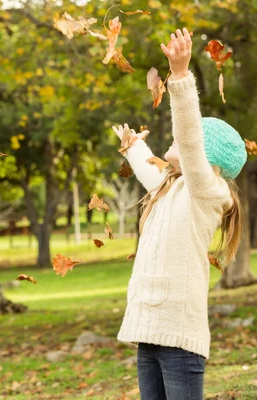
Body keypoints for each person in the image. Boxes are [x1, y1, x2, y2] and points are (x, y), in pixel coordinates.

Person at [112, 28, 247, 399]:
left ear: (205, 156)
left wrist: (181, 75)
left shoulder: (207, 192)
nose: (174, 140)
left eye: (185, 141)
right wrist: (133, 148)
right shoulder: (169, 188)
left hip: (179, 342)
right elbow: (149, 172)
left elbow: (188, 138)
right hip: (148, 335)